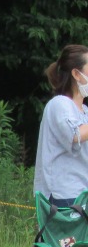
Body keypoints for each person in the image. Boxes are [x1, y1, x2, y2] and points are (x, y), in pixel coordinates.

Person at [35, 44, 88, 208]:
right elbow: (76, 135)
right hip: (64, 197)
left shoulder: (85, 111)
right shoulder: (59, 104)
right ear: (76, 74)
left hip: (82, 195)